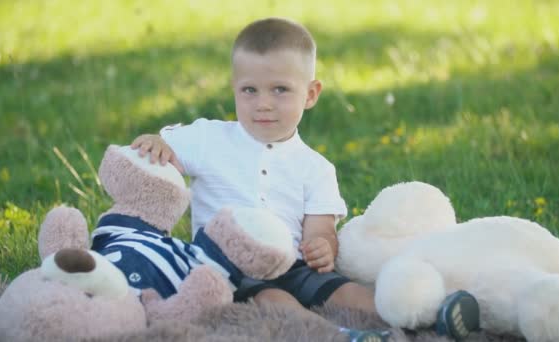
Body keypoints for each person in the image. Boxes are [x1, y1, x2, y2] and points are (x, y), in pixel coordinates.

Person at [131, 17, 479, 341]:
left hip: (295, 263)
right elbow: (164, 150)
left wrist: (322, 248)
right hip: (231, 269)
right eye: (250, 91)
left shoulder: (315, 167)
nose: (263, 104)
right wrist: (156, 143)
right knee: (274, 300)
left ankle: (433, 315)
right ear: (234, 89)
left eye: (280, 90)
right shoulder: (209, 139)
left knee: (348, 291)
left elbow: (321, 229)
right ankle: (341, 335)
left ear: (310, 94)